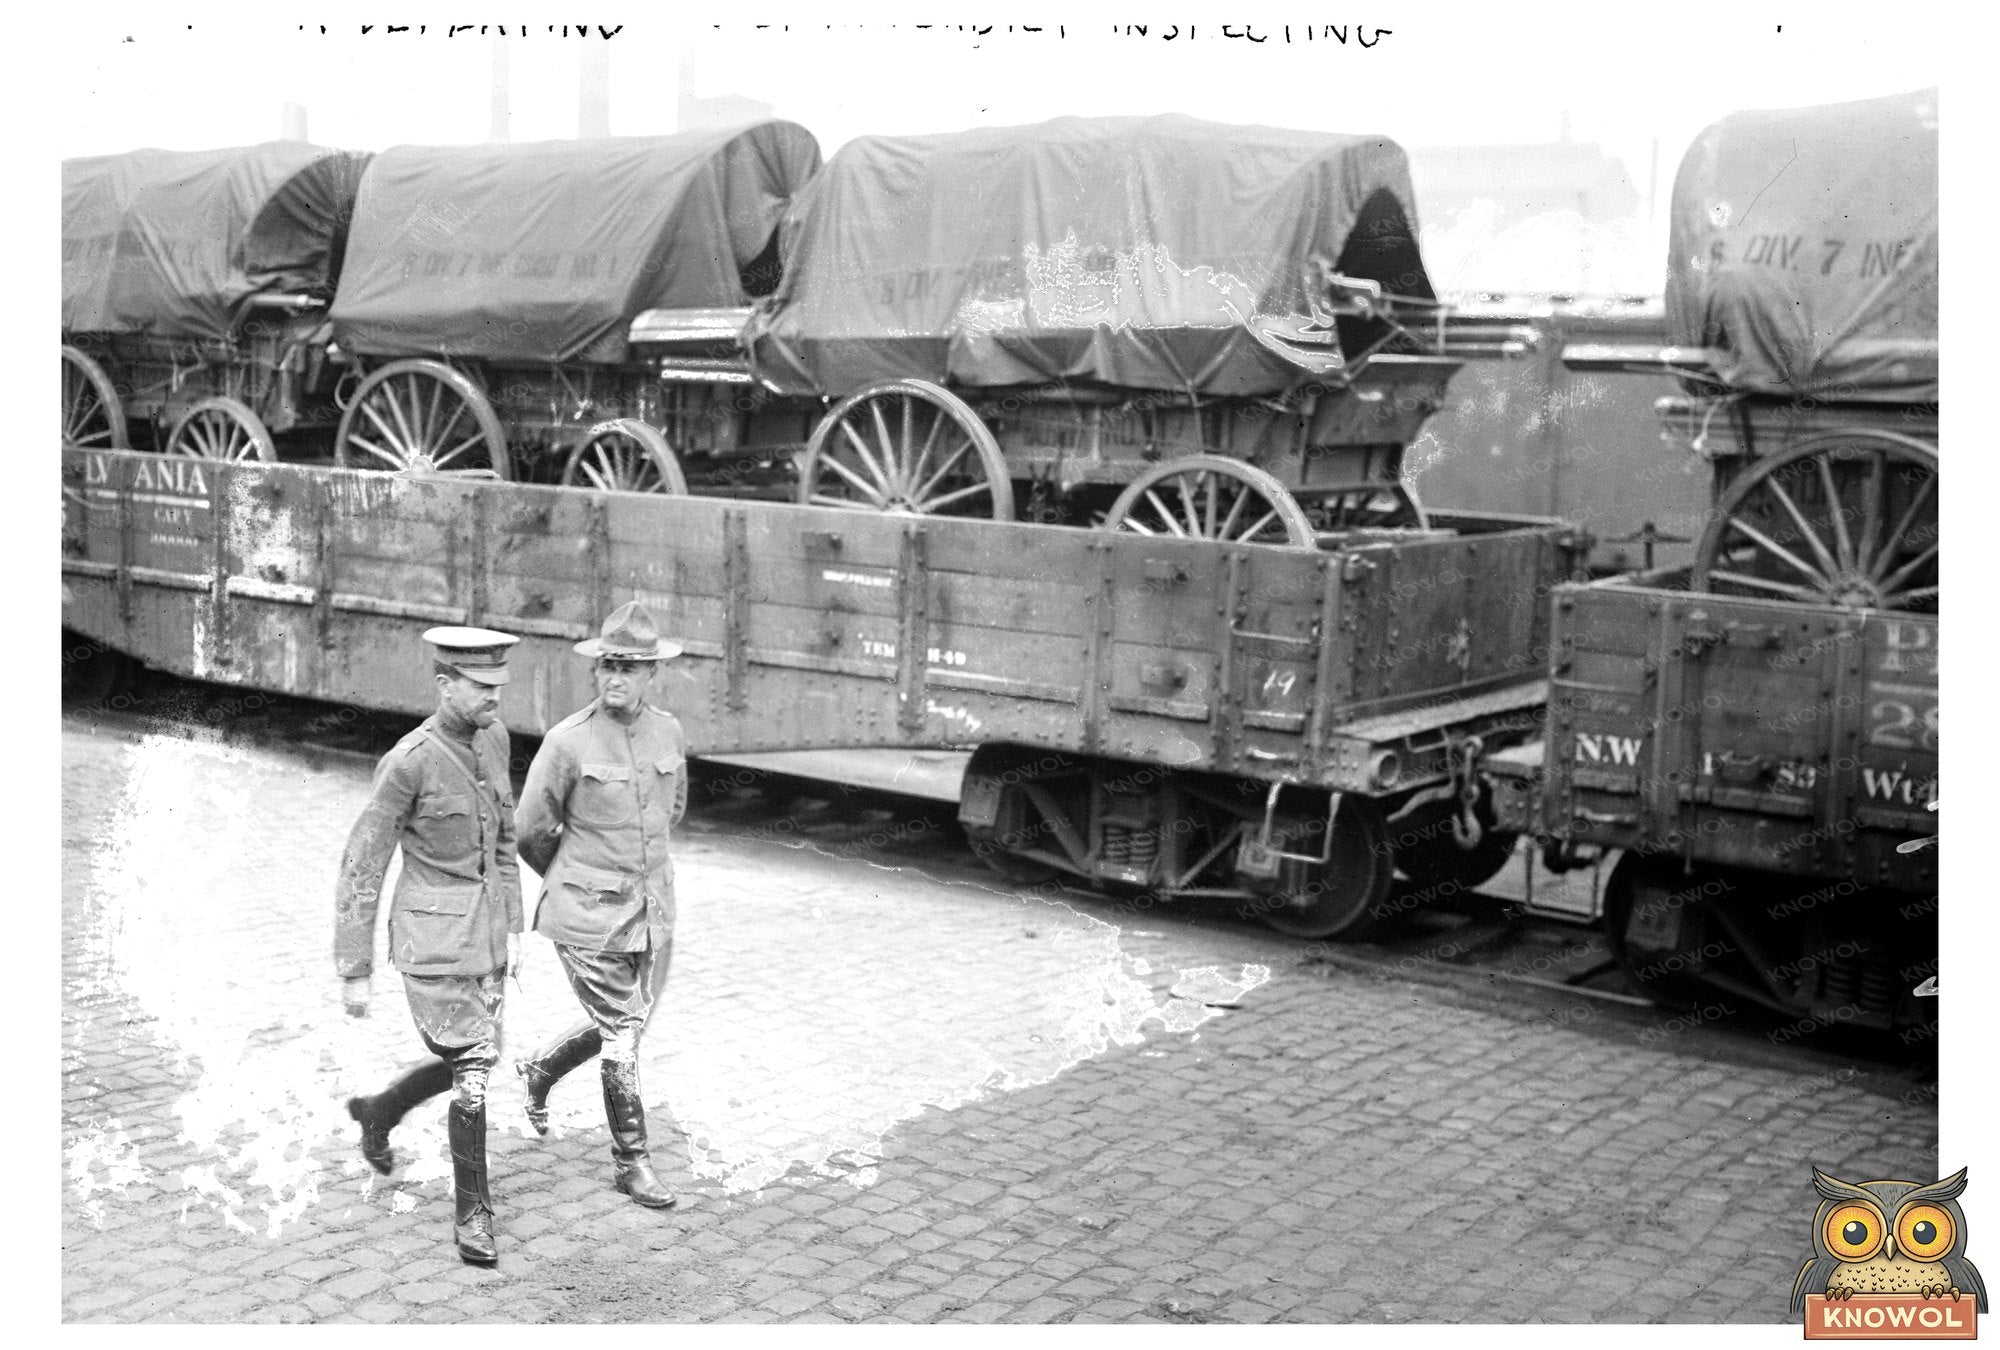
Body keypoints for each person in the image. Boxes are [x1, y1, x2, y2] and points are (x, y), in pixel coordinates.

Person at [334, 626, 524, 1265]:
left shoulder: (493, 739)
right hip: (433, 940)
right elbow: (364, 861)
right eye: (481, 686)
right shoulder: (409, 760)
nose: (496, 697)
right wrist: (354, 969)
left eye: (499, 684)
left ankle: (380, 1110)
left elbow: (502, 839)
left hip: (487, 937)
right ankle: (474, 1214)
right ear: (445, 685)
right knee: (472, 1066)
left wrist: (516, 926)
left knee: (482, 1056)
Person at [513, 600, 686, 1210]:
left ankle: (540, 1070)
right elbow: (531, 831)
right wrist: (574, 881)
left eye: (629, 668)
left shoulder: (668, 732)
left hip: (649, 910)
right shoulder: (567, 742)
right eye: (607, 666)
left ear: (650, 674)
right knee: (622, 1033)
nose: (615, 677)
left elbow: (673, 811)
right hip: (586, 914)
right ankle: (632, 1162)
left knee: (629, 1019)